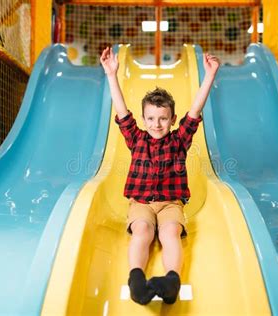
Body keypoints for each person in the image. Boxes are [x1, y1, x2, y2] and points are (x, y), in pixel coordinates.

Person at [100, 46, 220, 305]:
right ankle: (136, 281)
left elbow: (195, 112)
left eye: (163, 118)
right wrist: (112, 74)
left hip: (170, 203)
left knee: (170, 233)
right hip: (141, 202)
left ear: (173, 119)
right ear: (143, 119)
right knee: (142, 230)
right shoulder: (136, 138)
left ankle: (171, 281)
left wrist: (209, 76)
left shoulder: (179, 140)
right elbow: (121, 113)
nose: (157, 124)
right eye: (151, 118)